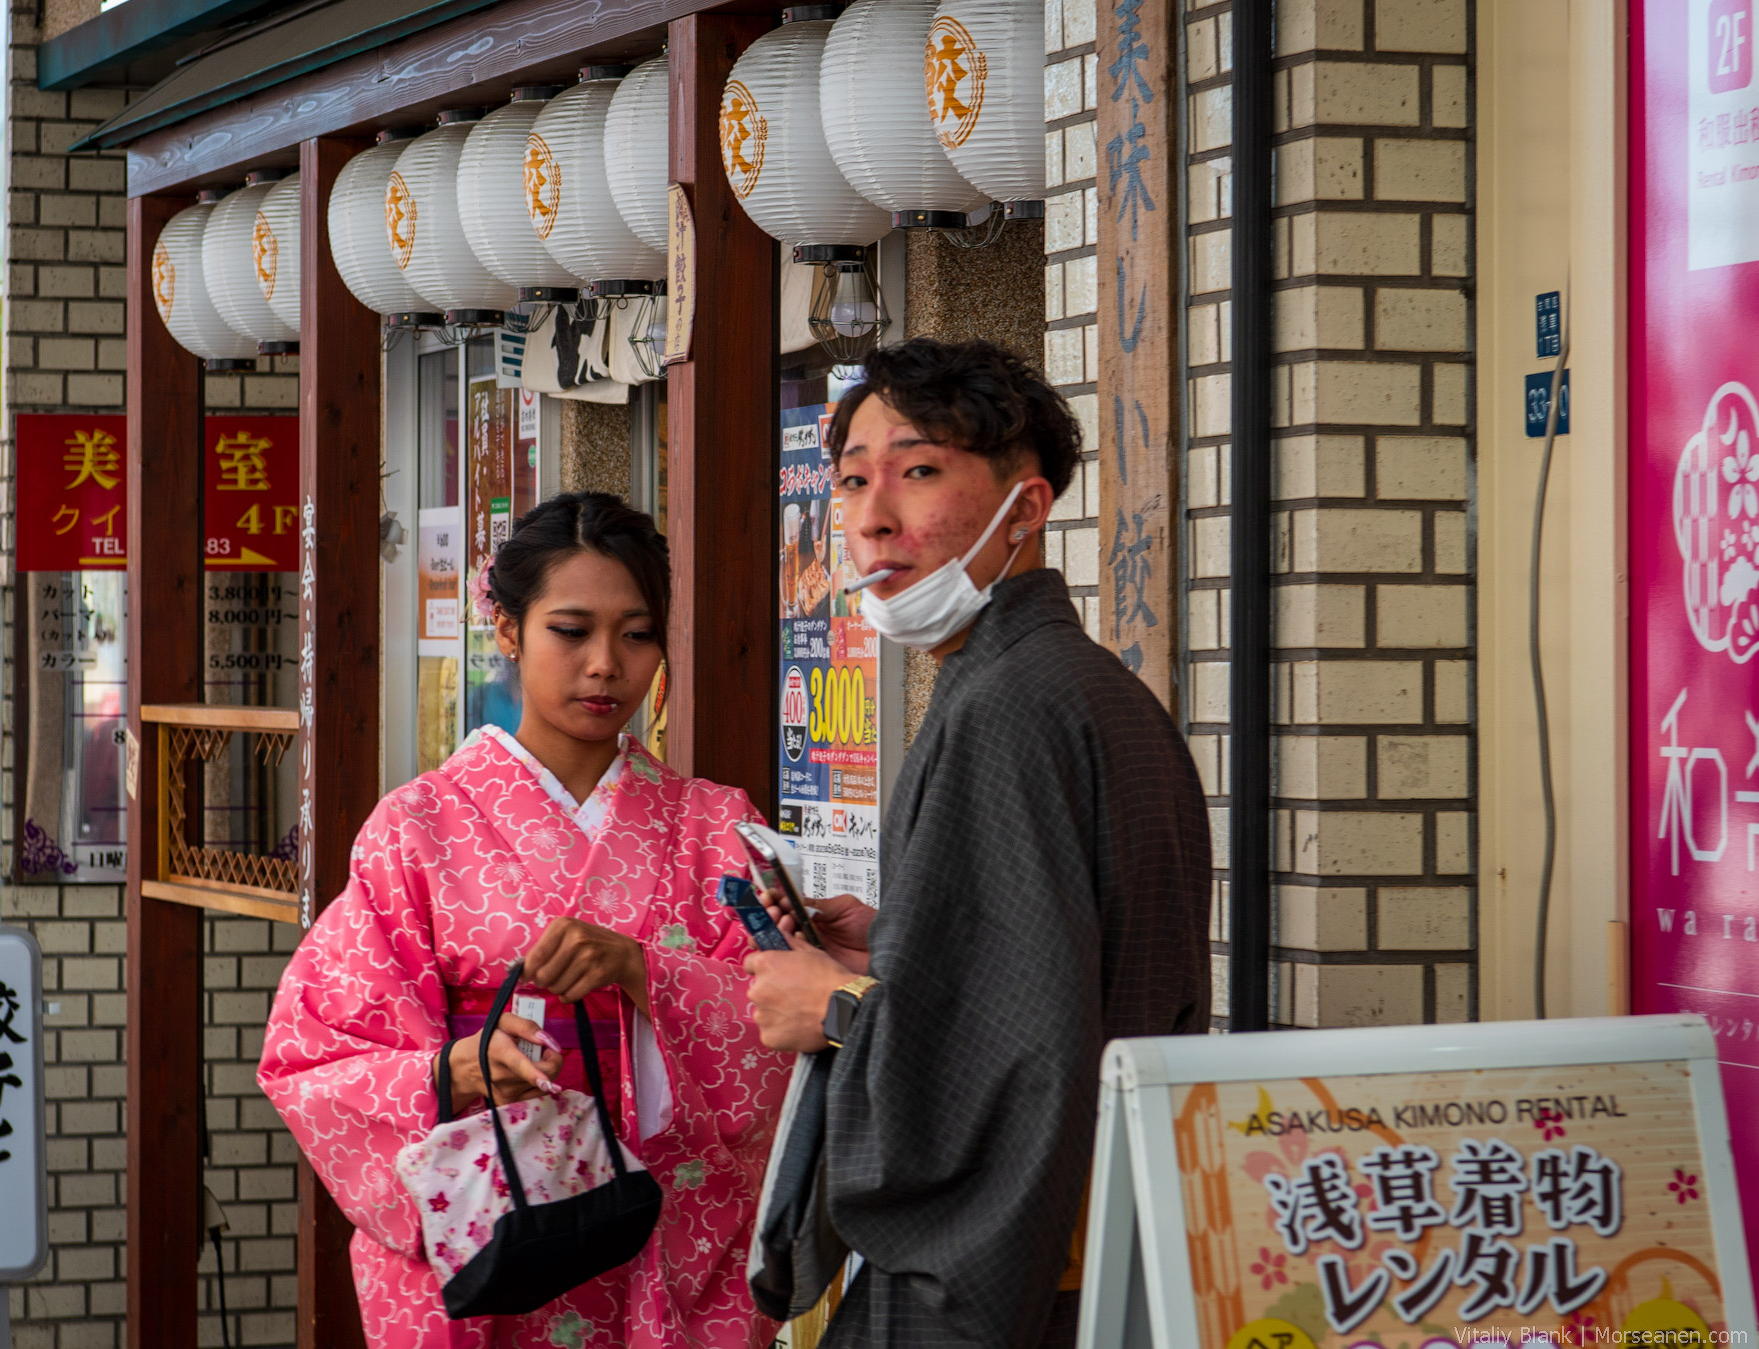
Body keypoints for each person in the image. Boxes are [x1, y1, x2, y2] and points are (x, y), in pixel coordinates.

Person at [744, 339, 1211, 1348]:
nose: (871, 517)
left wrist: (825, 1006)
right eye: (853, 479)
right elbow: (1049, 973)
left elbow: (1009, 1056)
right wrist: (897, 939)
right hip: (1099, 1253)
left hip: (1003, 1280)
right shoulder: (1094, 691)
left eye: (917, 472)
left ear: (1027, 507)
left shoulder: (1001, 707)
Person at [260, 492, 790, 1349]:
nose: (606, 665)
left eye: (637, 633)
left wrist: (644, 971)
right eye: (571, 630)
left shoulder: (713, 827)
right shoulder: (418, 828)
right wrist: (457, 1070)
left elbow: (785, 1028)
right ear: (507, 628)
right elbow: (314, 1050)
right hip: (492, 1230)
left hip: (659, 1236)